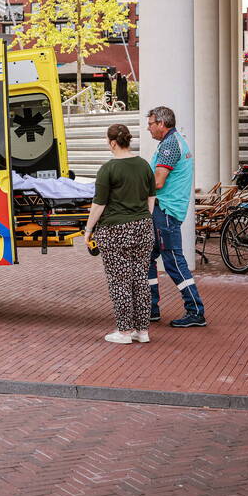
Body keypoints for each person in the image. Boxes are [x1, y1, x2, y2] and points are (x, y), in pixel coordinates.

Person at [84, 123, 156, 344]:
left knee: (120, 281)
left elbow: (99, 204)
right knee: (140, 279)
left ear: (113, 142)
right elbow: (151, 198)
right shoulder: (144, 165)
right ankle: (142, 331)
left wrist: (88, 230)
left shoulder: (108, 169)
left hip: (115, 231)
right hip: (143, 227)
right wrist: (142, 219)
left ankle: (124, 331)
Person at [146, 106, 207, 328]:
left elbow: (158, 181)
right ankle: (150, 308)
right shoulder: (173, 142)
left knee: (173, 262)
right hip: (164, 210)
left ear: (162, 124)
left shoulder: (170, 145)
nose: (148, 127)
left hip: (166, 211)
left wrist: (131, 189)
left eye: (151, 123)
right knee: (147, 259)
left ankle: (196, 311)